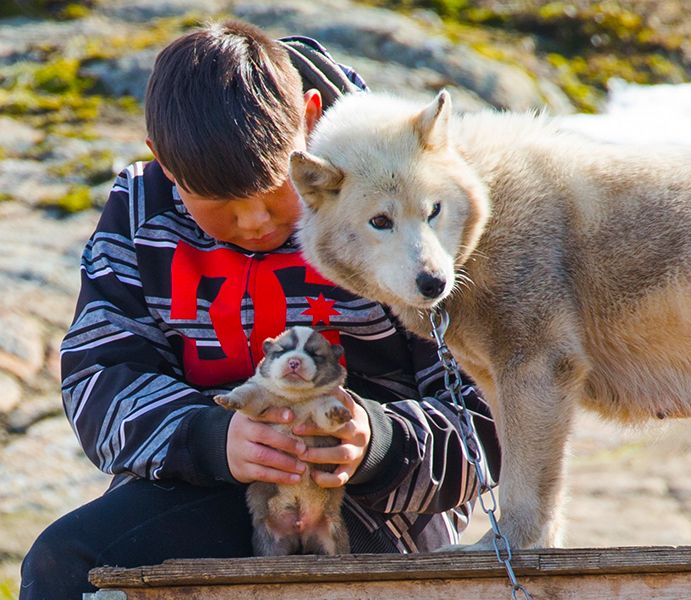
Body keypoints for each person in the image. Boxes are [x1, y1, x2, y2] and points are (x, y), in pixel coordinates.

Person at [19, 20, 500, 599]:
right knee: (64, 563)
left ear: (311, 117)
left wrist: (377, 443)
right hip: (199, 481)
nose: (253, 223)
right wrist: (210, 437)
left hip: (378, 509)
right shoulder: (139, 211)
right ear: (164, 162)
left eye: (275, 191)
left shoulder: (418, 203)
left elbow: (491, 411)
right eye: (219, 203)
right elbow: (99, 379)